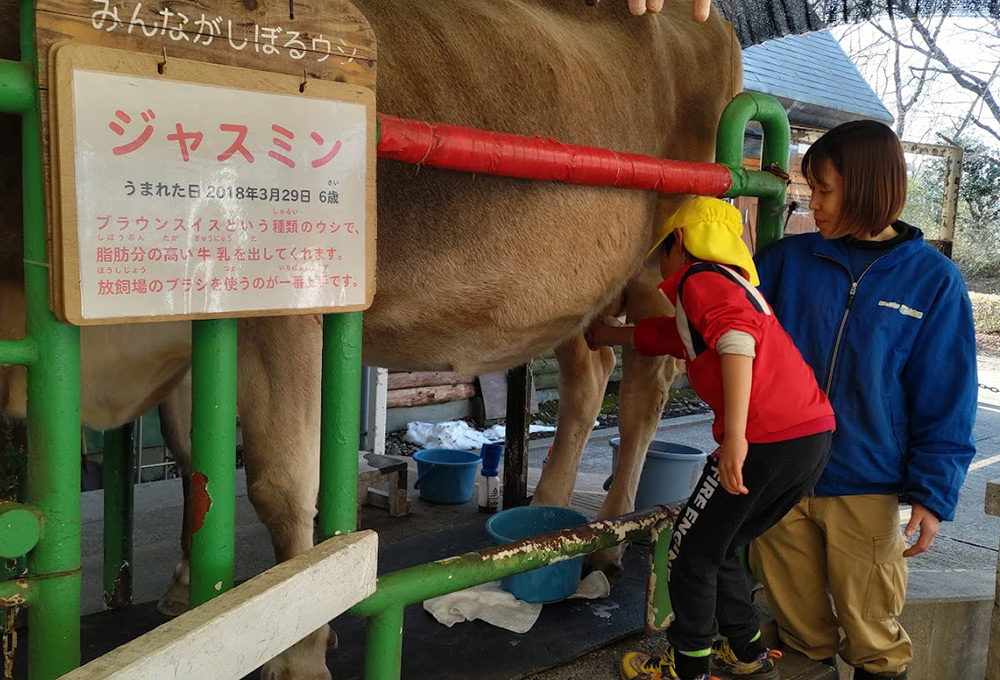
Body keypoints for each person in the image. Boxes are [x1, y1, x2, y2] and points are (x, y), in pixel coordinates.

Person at [748, 120, 978, 680]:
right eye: (810, 189)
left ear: (868, 187)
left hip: (867, 486)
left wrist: (932, 494)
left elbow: (947, 397)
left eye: (823, 190)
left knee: (874, 634)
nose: (812, 203)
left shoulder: (933, 281)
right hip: (781, 478)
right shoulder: (785, 261)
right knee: (798, 629)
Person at [586, 197, 836, 680]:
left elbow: (736, 343)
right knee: (719, 546)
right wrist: (605, 335)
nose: (659, 261)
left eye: (662, 248)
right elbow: (665, 335)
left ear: (680, 242)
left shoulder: (700, 281)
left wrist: (737, 439)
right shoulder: (732, 285)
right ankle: (746, 653)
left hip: (766, 438)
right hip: (809, 437)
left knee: (690, 549)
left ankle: (687, 667)